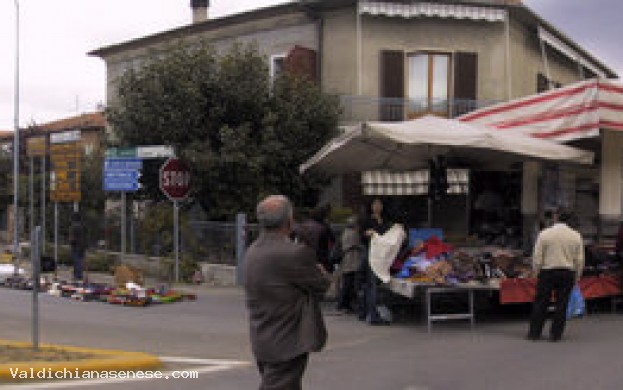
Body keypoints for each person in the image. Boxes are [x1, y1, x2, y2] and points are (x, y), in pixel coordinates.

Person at [244, 195, 331, 390]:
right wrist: (323, 273)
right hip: (288, 341)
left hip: (263, 338)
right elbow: (321, 285)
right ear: (289, 221)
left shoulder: (252, 252)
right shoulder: (293, 253)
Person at [527, 209, 584, 342]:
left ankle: (534, 333)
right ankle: (555, 334)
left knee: (541, 302)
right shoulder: (576, 236)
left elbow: (537, 257)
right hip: (567, 272)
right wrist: (577, 277)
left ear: (556, 218)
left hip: (547, 272)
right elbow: (580, 260)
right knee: (562, 304)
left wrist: (536, 272)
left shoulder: (544, 234)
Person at [357, 197, 392, 325]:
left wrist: (380, 223)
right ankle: (371, 314)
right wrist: (367, 233)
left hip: (380, 255)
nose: (377, 206)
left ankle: (367, 312)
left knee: (371, 284)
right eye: (375, 204)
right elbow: (361, 235)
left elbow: (387, 235)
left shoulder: (385, 220)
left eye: (379, 204)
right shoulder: (366, 219)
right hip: (370, 253)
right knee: (370, 284)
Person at [292, 203, 336, 273]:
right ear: (324, 216)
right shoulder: (324, 228)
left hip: (302, 259)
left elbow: (295, 241)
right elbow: (331, 243)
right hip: (319, 261)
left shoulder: (302, 226)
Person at [336, 215, 363, 313]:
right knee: (349, 285)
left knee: (347, 284)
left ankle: (343, 304)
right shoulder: (353, 233)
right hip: (352, 261)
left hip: (348, 261)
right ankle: (343, 304)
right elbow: (358, 245)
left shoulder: (345, 232)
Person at [69, 212, 87, 282]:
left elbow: (72, 238)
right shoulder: (83, 225)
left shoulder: (73, 226)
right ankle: (79, 275)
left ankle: (77, 276)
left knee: (76, 261)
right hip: (82, 246)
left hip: (76, 246)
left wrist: (71, 242)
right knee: (80, 261)